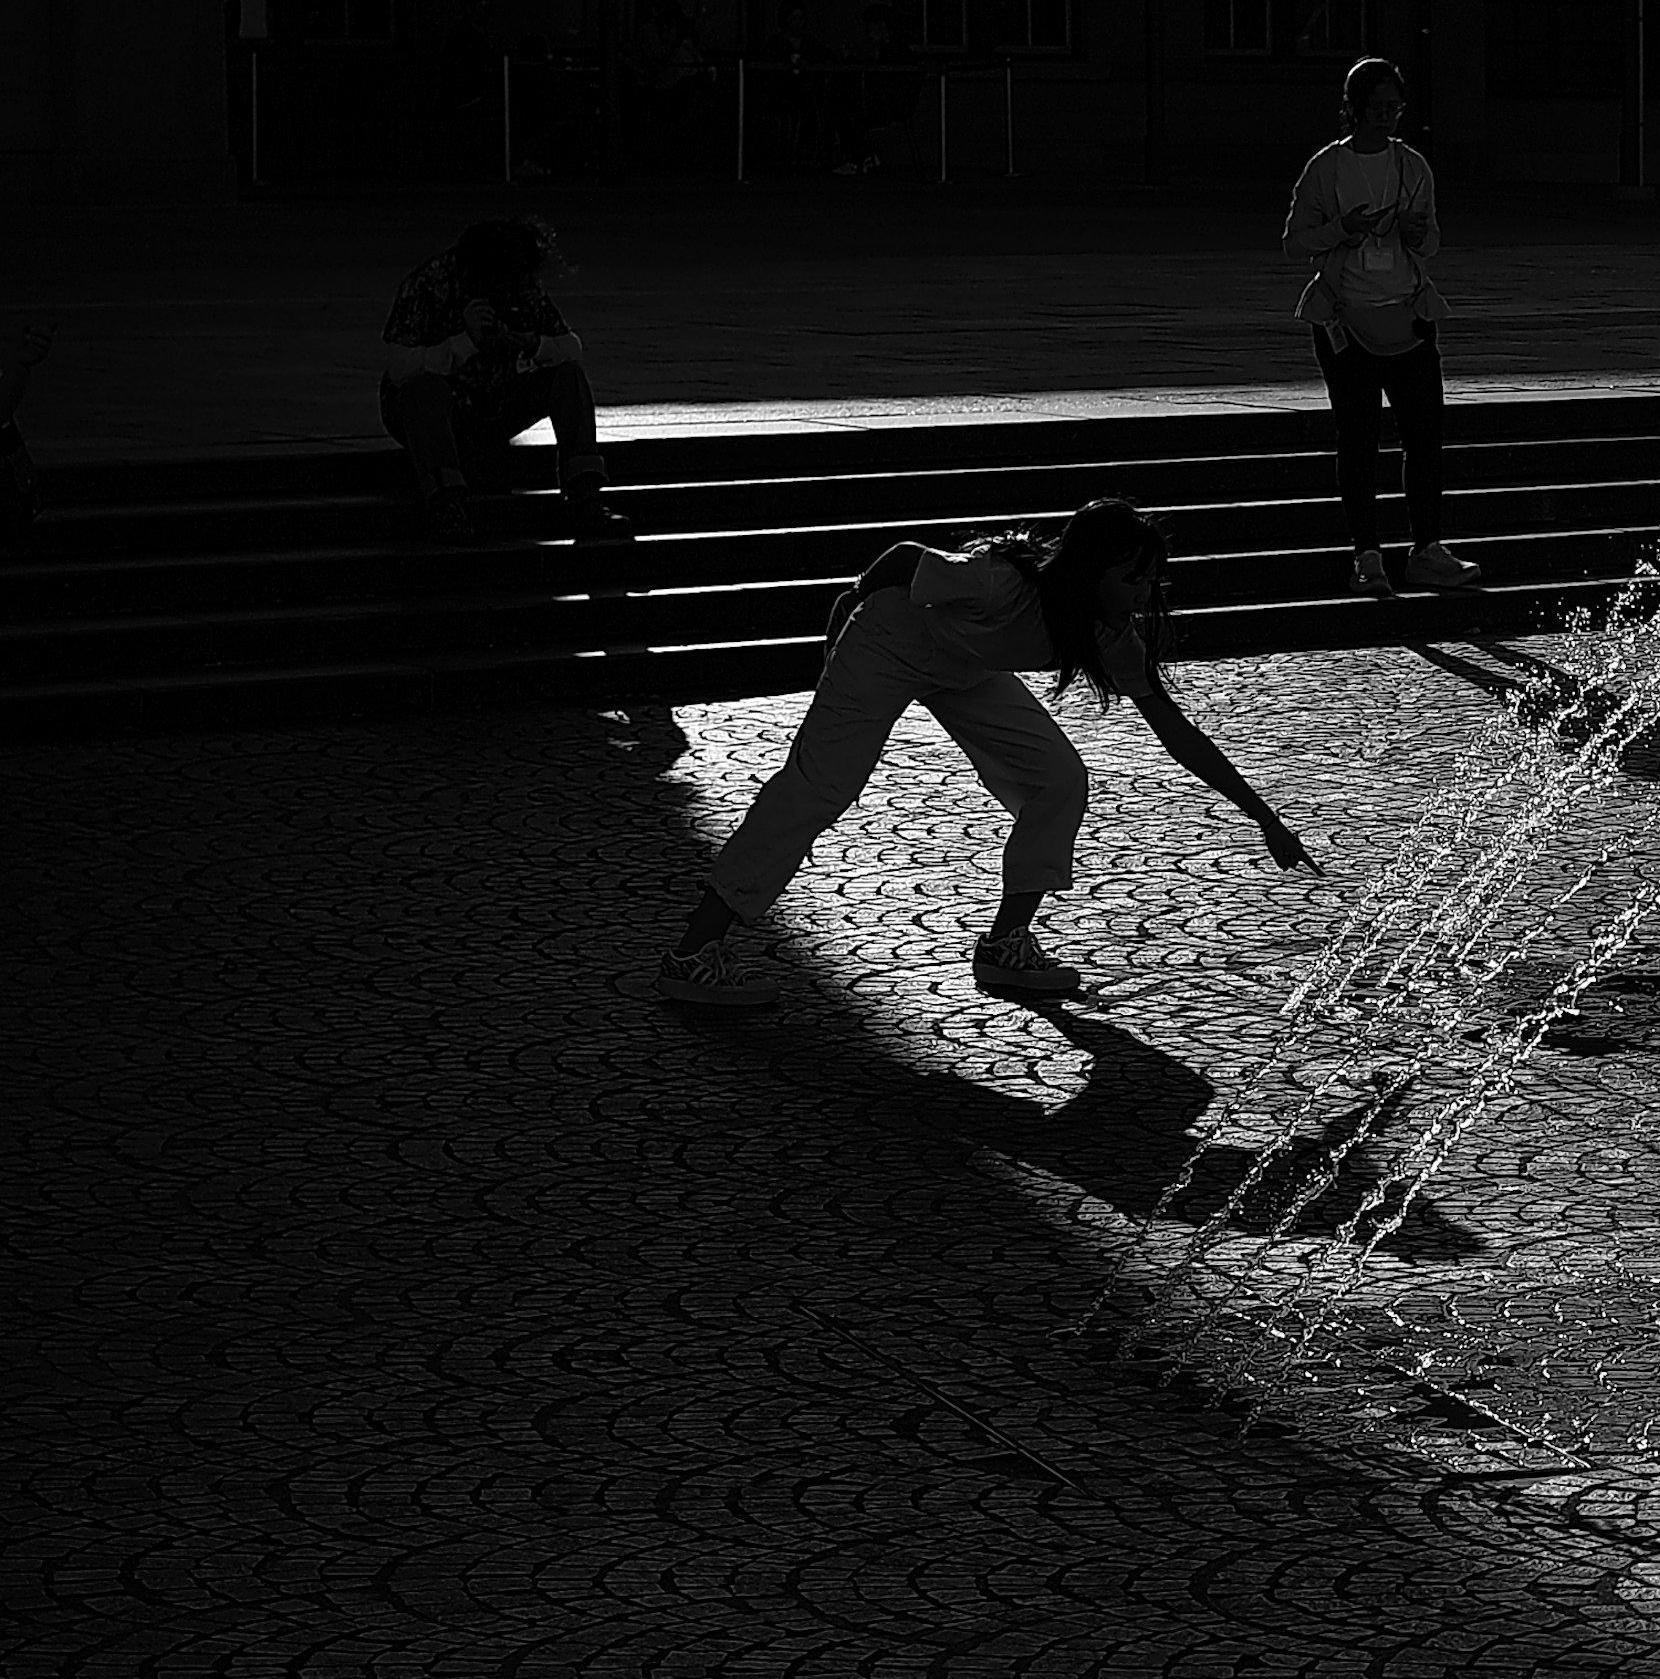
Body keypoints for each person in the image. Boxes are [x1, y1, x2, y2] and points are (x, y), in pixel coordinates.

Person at [658, 499, 1311, 1015]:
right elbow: (905, 558)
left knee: (1057, 779)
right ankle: (694, 953)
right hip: (890, 640)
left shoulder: (1113, 638)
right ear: (1091, 570)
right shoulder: (1004, 583)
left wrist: (1264, 817)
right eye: (1131, 576)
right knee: (820, 788)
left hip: (966, 666)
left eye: (1150, 577)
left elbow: (1178, 732)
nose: (1144, 590)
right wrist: (848, 603)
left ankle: (1005, 945)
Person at [1286, 53, 1476, 606]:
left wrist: (1416, 232)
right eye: (1377, 109)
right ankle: (1367, 553)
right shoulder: (1327, 168)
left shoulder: (1411, 165)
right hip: (1345, 318)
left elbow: (1432, 242)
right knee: (1359, 438)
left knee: (1424, 436)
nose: (1388, 118)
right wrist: (1341, 230)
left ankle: (1427, 548)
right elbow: (1294, 242)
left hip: (1409, 312)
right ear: (1352, 110)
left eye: (1395, 108)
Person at [380, 215, 634, 547]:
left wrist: (531, 344)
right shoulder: (429, 284)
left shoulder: (522, 283)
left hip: (497, 399)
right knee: (421, 390)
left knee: (567, 377)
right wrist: (465, 342)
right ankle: (446, 504)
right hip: (446, 410)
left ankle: (584, 494)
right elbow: (399, 368)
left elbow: (571, 348)